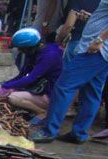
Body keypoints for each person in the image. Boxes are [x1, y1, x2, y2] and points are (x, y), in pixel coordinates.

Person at [31, 0, 108, 143]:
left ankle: (49, 131)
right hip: (101, 52)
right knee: (91, 92)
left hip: (95, 50)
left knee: (64, 86)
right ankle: (79, 133)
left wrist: (99, 40)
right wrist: (91, 18)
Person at [1, 29, 63, 123]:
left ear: (28, 47)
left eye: (21, 48)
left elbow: (31, 78)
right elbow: (21, 75)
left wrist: (6, 86)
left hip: (50, 94)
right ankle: (33, 109)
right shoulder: (34, 53)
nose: (19, 51)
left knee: (13, 97)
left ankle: (42, 112)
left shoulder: (50, 55)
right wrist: (4, 84)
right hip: (39, 89)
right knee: (11, 90)